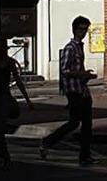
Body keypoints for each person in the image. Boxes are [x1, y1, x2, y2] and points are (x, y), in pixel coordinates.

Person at [39, 16, 97, 165]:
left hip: (82, 89)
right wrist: (82, 74)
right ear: (74, 30)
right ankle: (47, 142)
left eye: (85, 30)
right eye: (80, 29)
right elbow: (65, 70)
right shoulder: (69, 48)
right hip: (74, 91)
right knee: (74, 123)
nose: (83, 32)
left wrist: (85, 75)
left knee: (86, 125)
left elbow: (76, 68)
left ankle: (84, 156)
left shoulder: (79, 47)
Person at [0, 30, 31, 172]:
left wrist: (27, 100)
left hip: (3, 98)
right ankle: (5, 157)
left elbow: (18, 81)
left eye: (0, 42)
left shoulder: (8, 62)